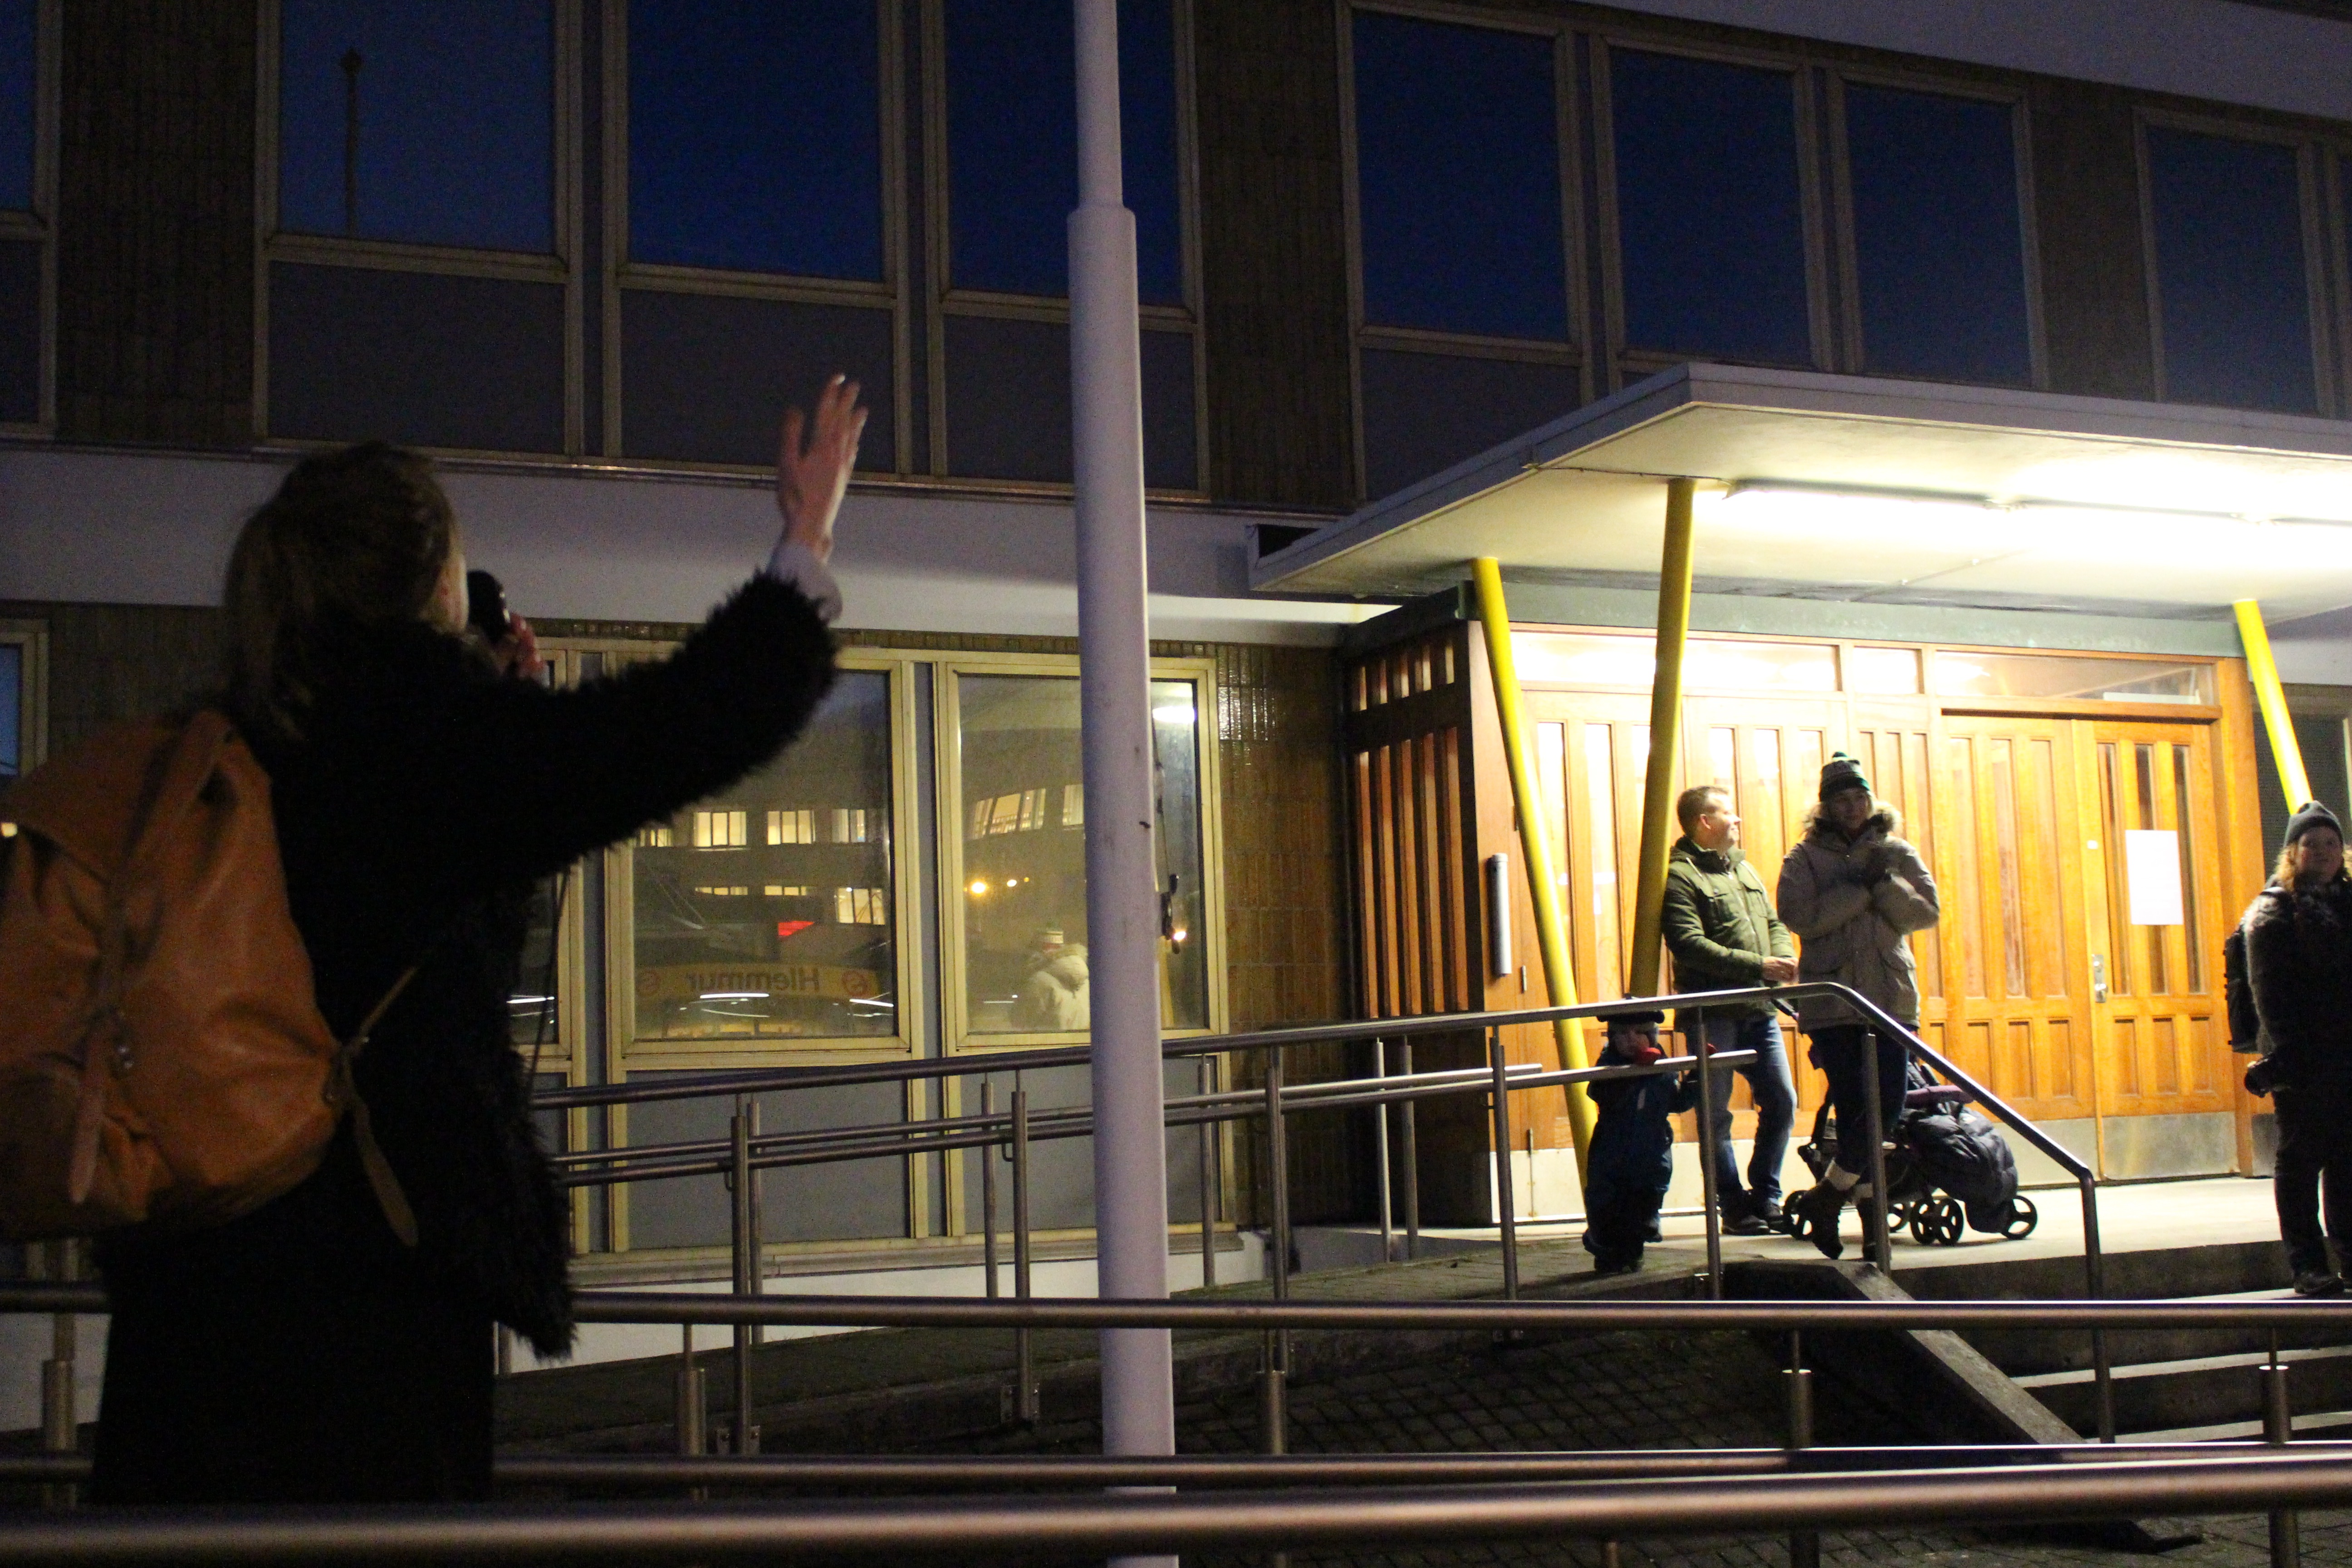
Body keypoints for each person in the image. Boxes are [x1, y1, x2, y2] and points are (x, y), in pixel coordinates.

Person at [89, 376, 868, 1504]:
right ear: (433, 579)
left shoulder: (223, 740)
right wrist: (807, 538)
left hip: (188, 1281)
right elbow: (687, 720)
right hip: (364, 1290)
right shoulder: (424, 741)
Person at [1777, 752, 1940, 1259]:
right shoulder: (1803, 859)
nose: (1852, 807)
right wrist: (1859, 889)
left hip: (1891, 998)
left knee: (1885, 1107)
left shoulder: (1895, 850)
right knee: (1856, 1109)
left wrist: (1883, 883)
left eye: (1859, 797)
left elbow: (1926, 913)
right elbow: (1800, 917)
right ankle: (1873, 1232)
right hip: (1834, 1001)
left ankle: (1829, 1197)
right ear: (1825, 808)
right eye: (1841, 799)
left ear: (1871, 800)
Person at [1659, 785, 1799, 1235]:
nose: (1737, 820)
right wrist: (1761, 965)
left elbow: (1773, 923)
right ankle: (1733, 1204)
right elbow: (1689, 944)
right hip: (1713, 1013)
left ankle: (1767, 1195)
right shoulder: (1681, 877)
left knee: (1782, 1100)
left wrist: (1780, 961)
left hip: (1760, 1008)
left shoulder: (1745, 871)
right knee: (1714, 1113)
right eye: (1727, 813)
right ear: (1705, 822)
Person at [2243, 801, 2352, 1297]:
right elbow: (2271, 994)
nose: (2325, 852)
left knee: (2348, 1162)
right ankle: (2307, 1264)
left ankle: (2348, 1256)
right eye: (2313, 844)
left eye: (2332, 843)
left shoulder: (2347, 902)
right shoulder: (2274, 911)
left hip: (2346, 1057)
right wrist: (2289, 1055)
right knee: (2302, 1158)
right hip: (2302, 1059)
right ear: (2294, 852)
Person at [1580, 1010, 1700, 1275]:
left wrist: (1696, 1077)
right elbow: (1600, 1093)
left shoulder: (1663, 1066)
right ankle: (1606, 1251)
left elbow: (1676, 1102)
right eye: (1622, 1033)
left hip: (1652, 1148)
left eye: (1638, 1032)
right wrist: (1635, 1073)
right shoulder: (1608, 1064)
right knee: (1607, 1205)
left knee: (1644, 1200)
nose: (1630, 1040)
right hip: (1612, 1149)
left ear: (1652, 1035)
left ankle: (1635, 1247)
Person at [1012, 926, 1091, 1031]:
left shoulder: (1040, 981)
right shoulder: (1085, 981)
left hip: (1049, 1043)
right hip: (1079, 1044)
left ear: (1046, 948)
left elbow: (1022, 1022)